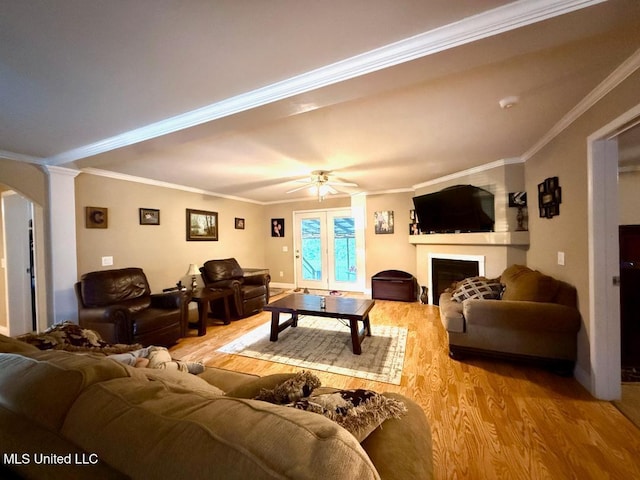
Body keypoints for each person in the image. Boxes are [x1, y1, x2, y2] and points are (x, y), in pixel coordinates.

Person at [108, 345, 204, 374]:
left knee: (156, 370)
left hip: (154, 352)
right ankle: (170, 364)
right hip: (150, 359)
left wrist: (136, 375)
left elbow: (143, 361)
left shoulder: (113, 360)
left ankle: (184, 366)